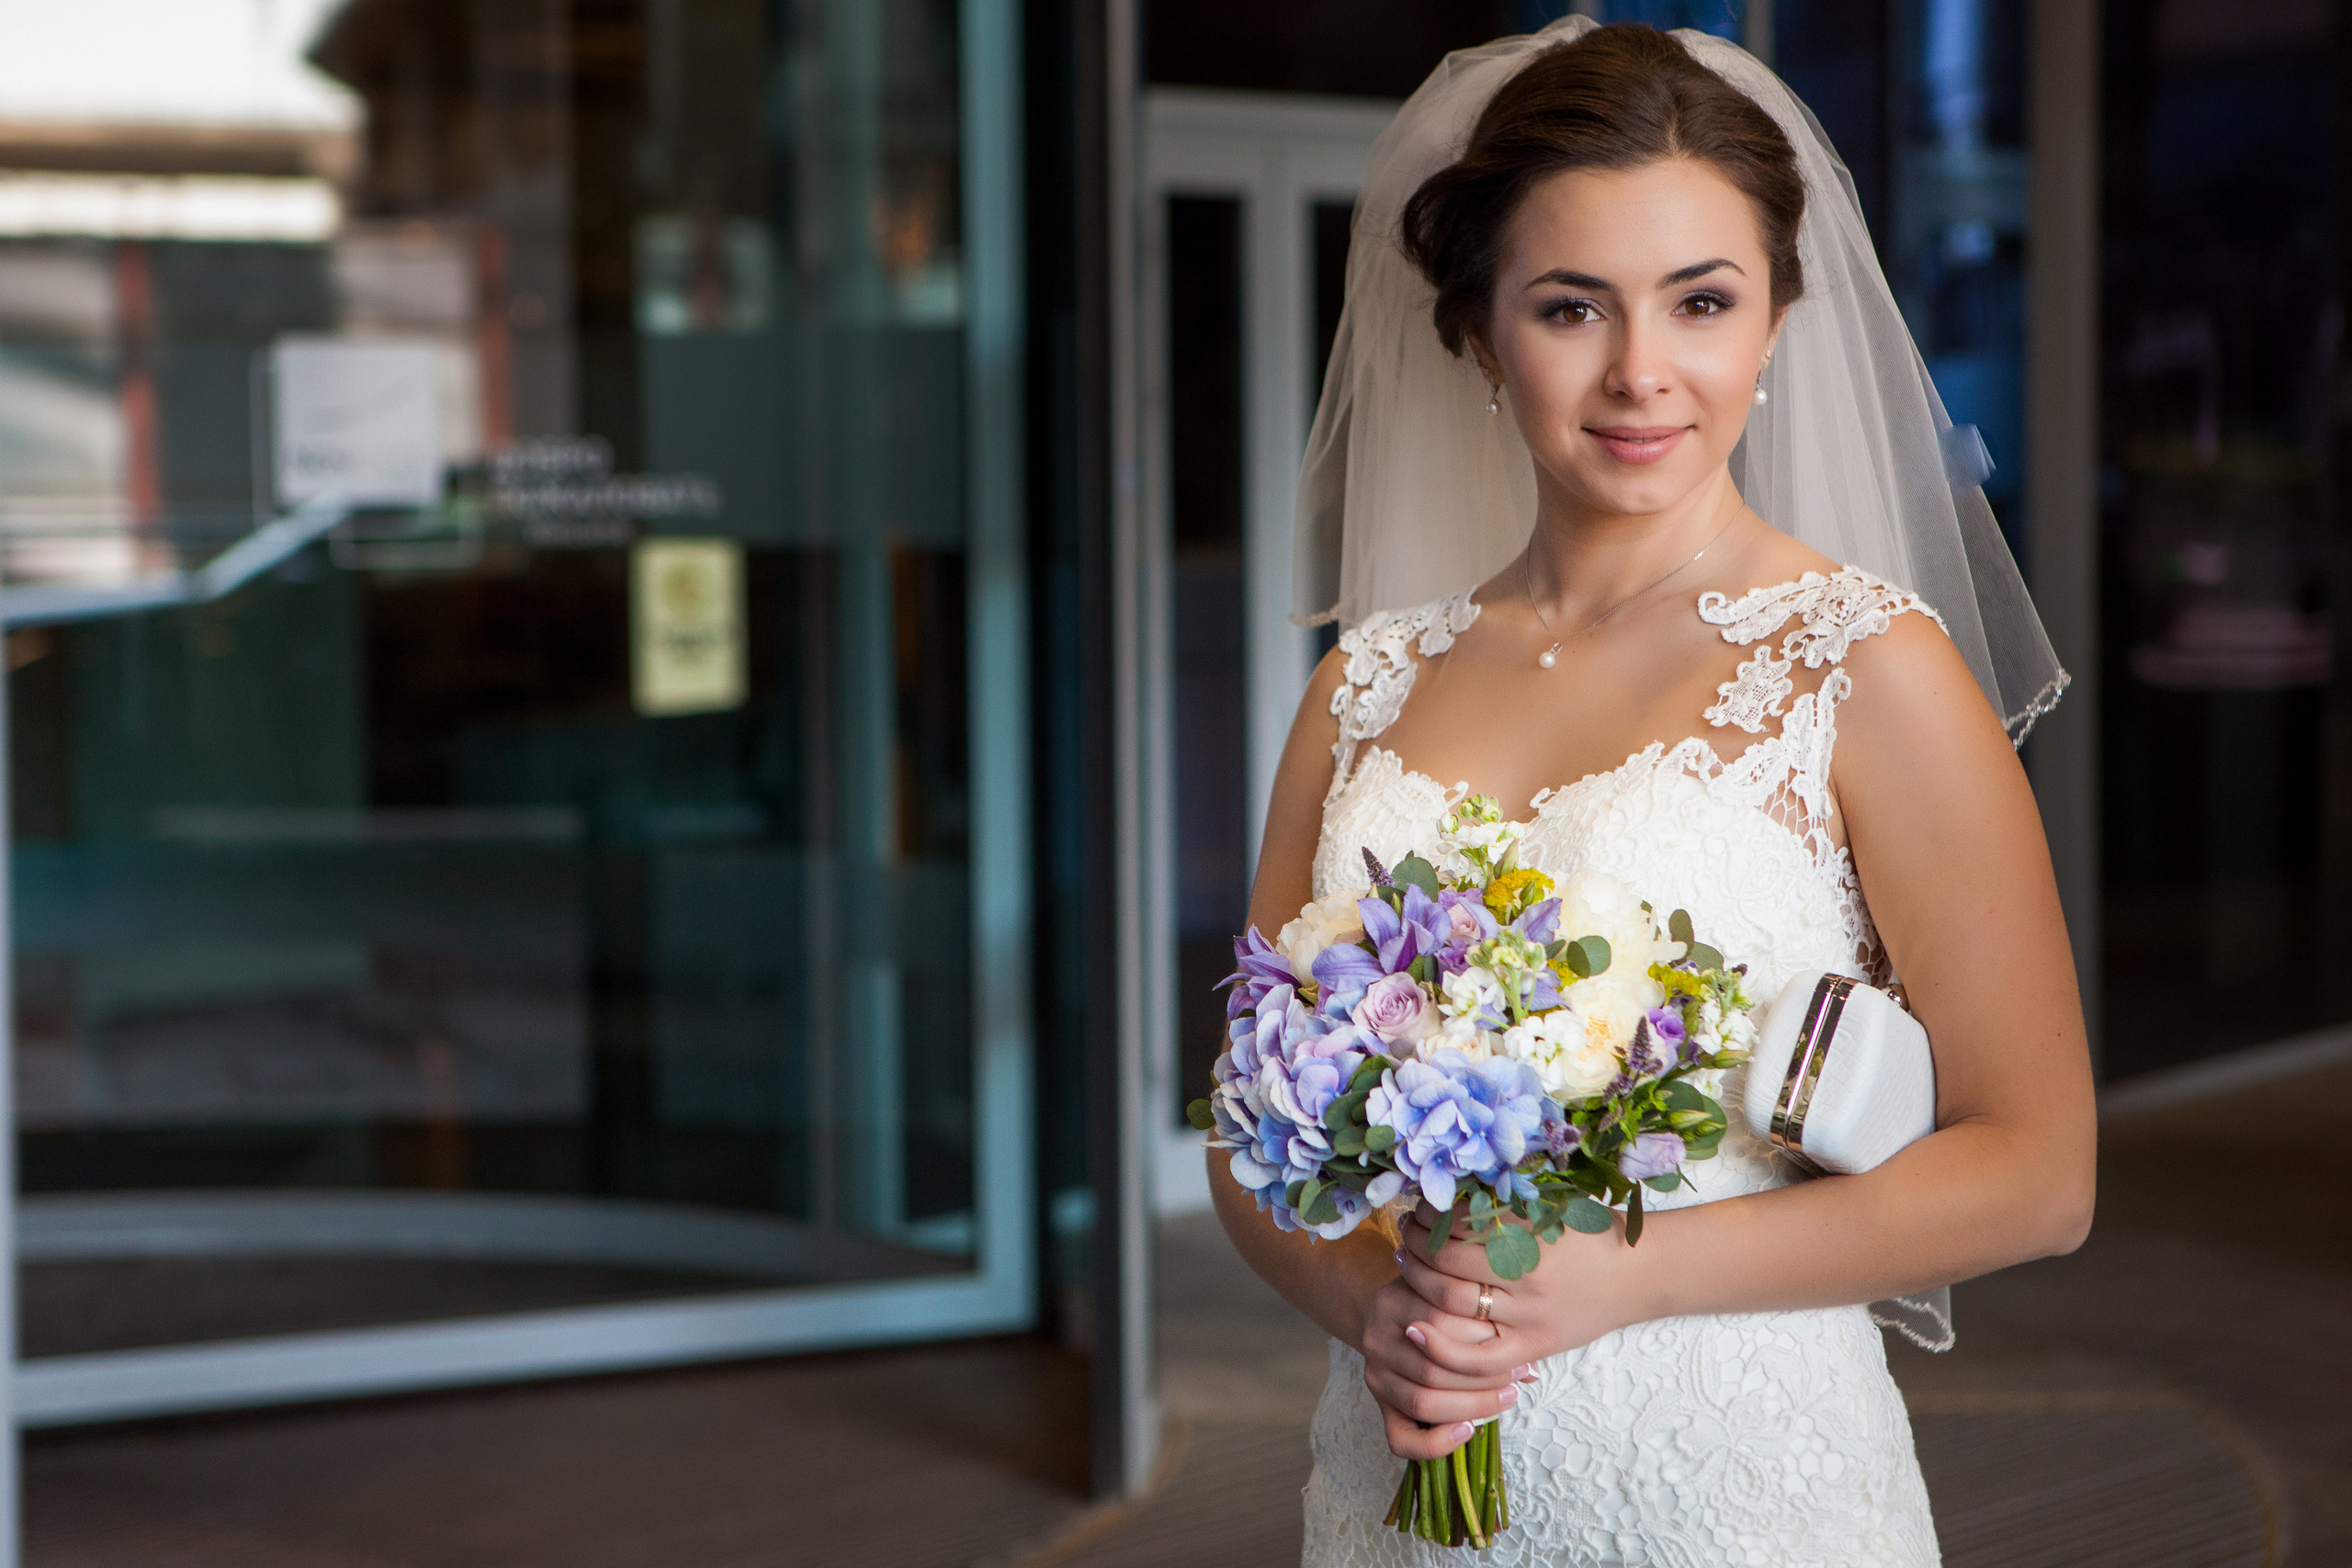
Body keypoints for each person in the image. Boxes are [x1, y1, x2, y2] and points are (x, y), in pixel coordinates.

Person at [1207, 18, 2096, 1566]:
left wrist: (1621, 1271)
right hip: (1399, 1482)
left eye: (1702, 302)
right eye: (1570, 307)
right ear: (1480, 334)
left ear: (1773, 322)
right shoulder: (1363, 687)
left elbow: (2038, 1171)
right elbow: (1242, 1127)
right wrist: (1377, 1311)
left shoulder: (1864, 669)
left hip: (1738, 1492)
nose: (1642, 372)